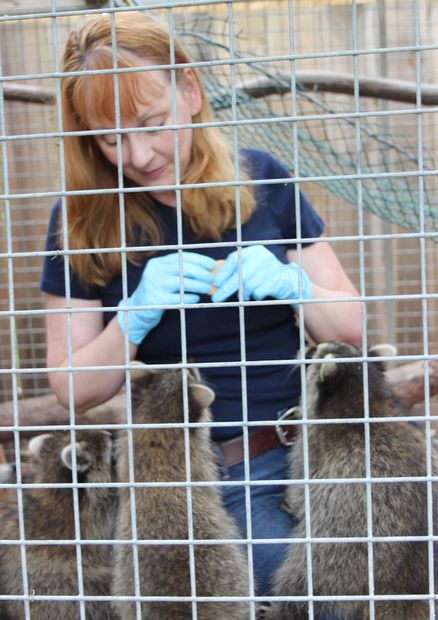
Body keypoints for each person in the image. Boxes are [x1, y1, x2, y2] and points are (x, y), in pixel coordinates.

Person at [40, 10, 362, 609]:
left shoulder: (262, 178)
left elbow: (348, 325)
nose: (138, 153)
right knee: (320, 596)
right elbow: (72, 386)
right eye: (111, 138)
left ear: (189, 90)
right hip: (216, 479)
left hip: (326, 451)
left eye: (152, 123)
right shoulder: (81, 221)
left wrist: (292, 283)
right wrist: (132, 317)